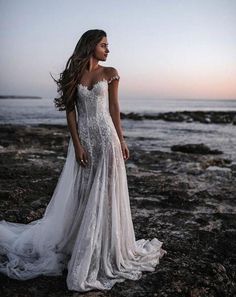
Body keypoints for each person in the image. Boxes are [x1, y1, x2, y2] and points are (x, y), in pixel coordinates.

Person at [0, 29, 167, 292]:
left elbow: (113, 109)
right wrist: (77, 145)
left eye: (107, 45)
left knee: (107, 192)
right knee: (83, 192)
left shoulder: (110, 73)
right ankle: (79, 241)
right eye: (103, 45)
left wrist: (122, 140)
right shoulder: (73, 75)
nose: (108, 49)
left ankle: (106, 245)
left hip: (107, 140)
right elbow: (70, 114)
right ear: (91, 46)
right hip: (85, 142)